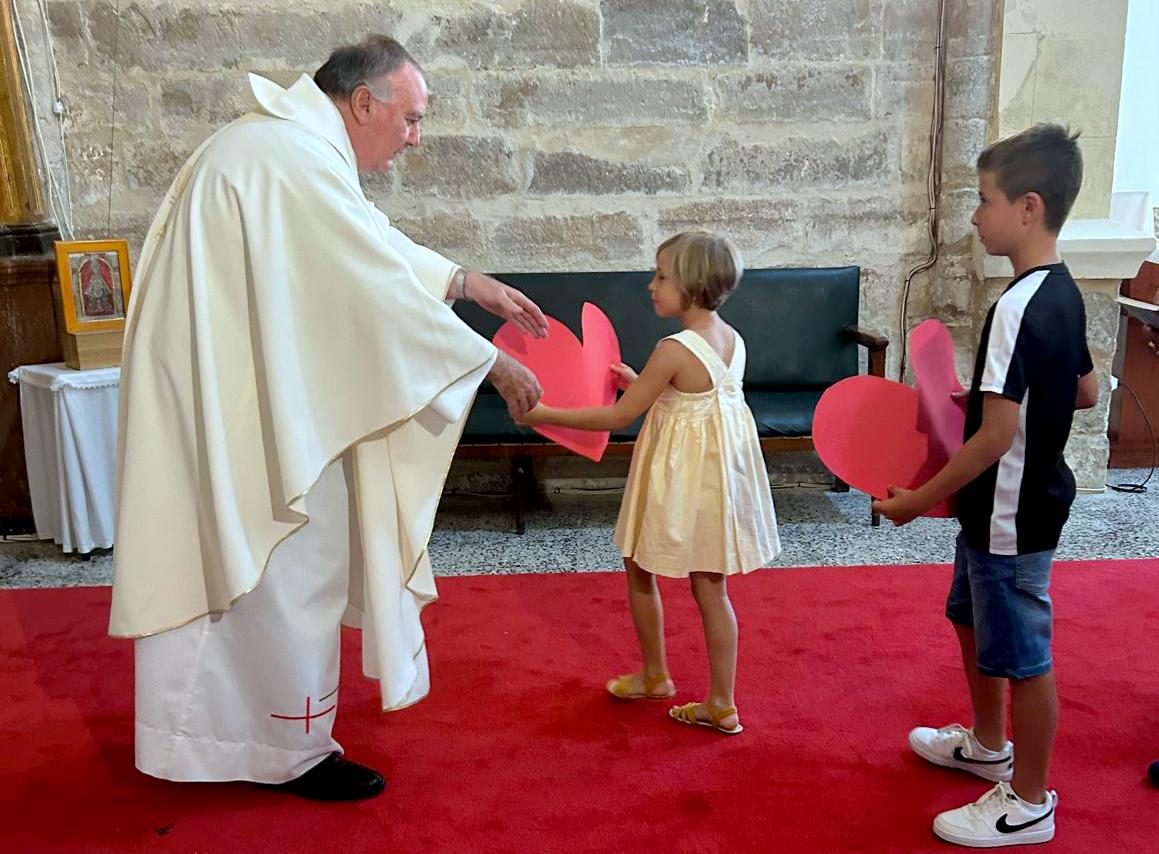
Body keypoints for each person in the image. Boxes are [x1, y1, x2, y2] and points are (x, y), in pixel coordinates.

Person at [108, 35, 547, 800]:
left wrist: (461, 279)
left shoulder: (286, 148)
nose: (416, 138)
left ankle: (218, 737)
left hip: (244, 391)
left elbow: (364, 240)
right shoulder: (286, 158)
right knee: (284, 559)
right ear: (363, 102)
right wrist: (491, 363)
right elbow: (368, 282)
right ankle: (282, 751)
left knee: (256, 560)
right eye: (411, 119)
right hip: (246, 406)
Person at [874, 124, 1098, 847]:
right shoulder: (1062, 293)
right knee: (969, 617)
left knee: (1022, 651)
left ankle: (1029, 800)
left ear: (1027, 207)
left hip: (1009, 511)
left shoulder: (1015, 307)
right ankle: (985, 744)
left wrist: (913, 500)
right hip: (1011, 504)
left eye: (983, 200)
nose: (974, 216)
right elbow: (1087, 391)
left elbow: (995, 436)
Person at [520, 230, 781, 734]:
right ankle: (721, 701)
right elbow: (692, 396)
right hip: (717, 483)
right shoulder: (731, 339)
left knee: (639, 564)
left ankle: (656, 673)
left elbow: (618, 418)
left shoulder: (674, 347)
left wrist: (542, 413)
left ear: (694, 285)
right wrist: (641, 379)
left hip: (678, 478)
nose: (651, 286)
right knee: (712, 586)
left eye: (662, 276)